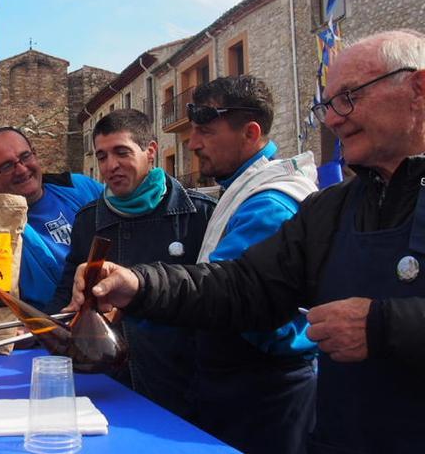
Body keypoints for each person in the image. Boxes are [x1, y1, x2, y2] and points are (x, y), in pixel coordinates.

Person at [65, 30, 425, 453]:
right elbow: (243, 285)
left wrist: (386, 328)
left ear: (418, 88)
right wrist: (139, 284)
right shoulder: (332, 208)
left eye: (349, 97)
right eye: (327, 105)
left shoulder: (274, 200)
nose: (332, 119)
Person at [182, 75, 319, 453]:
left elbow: (223, 296)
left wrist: (139, 290)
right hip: (247, 383)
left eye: (205, 131)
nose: (193, 143)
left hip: (263, 391)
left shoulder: (268, 203)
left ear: (250, 132)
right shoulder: (243, 189)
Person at [49, 109, 215, 419]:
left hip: (184, 390)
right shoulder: (88, 221)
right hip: (109, 388)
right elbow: (65, 300)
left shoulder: (201, 214)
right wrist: (42, 326)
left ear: (151, 151)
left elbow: (216, 299)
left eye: (121, 152)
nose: (110, 166)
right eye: (102, 156)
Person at [0, 127, 103, 310]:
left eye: (25, 156)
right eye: (7, 166)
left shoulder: (80, 187)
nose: (21, 169)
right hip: (53, 329)